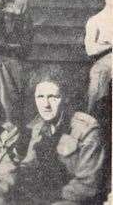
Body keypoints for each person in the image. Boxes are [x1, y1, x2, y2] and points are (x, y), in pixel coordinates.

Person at [12, 67, 105, 205]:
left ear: (66, 98)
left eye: (53, 97)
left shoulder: (86, 129)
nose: (46, 105)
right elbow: (28, 166)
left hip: (73, 199)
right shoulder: (38, 126)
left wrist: (48, 198)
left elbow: (88, 184)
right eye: (40, 97)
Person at [84, 0, 112, 114]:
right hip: (104, 66)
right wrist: (109, 44)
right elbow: (90, 49)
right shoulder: (96, 20)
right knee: (98, 79)